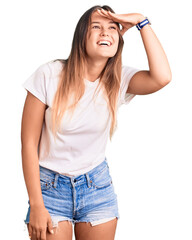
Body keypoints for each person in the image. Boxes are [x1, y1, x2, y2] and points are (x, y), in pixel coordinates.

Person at [21, 4, 171, 240]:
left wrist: (142, 22)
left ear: (119, 39)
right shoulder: (49, 75)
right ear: (82, 36)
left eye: (113, 27)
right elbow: (29, 144)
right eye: (96, 27)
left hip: (96, 187)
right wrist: (36, 204)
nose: (105, 32)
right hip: (50, 188)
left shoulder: (118, 80)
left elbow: (162, 77)